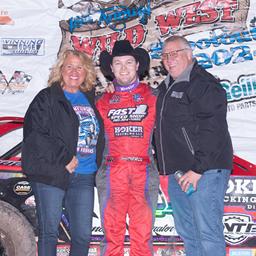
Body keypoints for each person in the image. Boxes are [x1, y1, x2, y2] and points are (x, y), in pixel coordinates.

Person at [154, 35, 233, 256]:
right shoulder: (164, 87)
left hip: (203, 172)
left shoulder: (203, 84)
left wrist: (198, 169)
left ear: (189, 55)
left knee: (208, 233)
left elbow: (213, 129)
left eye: (174, 54)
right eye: (165, 55)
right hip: (178, 173)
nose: (169, 60)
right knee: (188, 233)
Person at [21, 49, 104, 256]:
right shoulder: (47, 97)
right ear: (61, 70)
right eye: (69, 66)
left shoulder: (90, 99)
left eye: (80, 67)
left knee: (83, 236)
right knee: (50, 233)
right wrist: (64, 158)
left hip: (85, 176)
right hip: (53, 174)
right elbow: (36, 135)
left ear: (86, 72)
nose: (74, 72)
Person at [96, 40, 159, 256]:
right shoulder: (101, 100)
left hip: (144, 171)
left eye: (129, 62)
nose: (124, 68)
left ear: (137, 65)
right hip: (112, 172)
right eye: (118, 63)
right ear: (111, 68)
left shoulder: (155, 97)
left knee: (142, 236)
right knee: (112, 236)